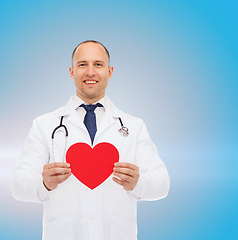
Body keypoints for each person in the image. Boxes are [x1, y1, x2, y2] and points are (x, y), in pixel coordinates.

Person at [11, 40, 170, 240]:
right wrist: (44, 183)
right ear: (71, 72)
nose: (90, 72)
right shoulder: (44, 124)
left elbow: (162, 184)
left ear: (110, 71)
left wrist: (138, 183)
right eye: (82, 64)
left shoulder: (134, 126)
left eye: (98, 64)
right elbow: (18, 186)